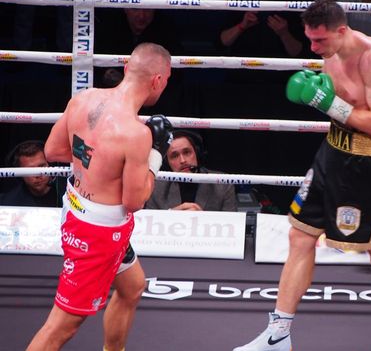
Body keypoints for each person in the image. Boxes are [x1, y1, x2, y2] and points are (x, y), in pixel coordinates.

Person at [233, 0, 371, 351]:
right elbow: (340, 108)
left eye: (320, 40)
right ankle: (278, 334)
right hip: (332, 152)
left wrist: (329, 103)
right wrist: (325, 100)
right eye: (310, 39)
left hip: (370, 163)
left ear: (341, 30)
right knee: (299, 236)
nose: (313, 48)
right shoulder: (329, 52)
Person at [25, 42, 173, 351]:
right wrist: (157, 155)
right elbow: (135, 201)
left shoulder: (84, 98)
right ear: (158, 81)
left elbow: (53, 150)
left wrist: (96, 161)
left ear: (126, 68)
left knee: (132, 287)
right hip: (98, 234)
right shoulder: (136, 134)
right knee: (61, 327)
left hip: (75, 206)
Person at [219, 0, 305, 59]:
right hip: (243, 67)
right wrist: (241, 26)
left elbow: (299, 53)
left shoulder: (291, 9)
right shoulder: (239, 6)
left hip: (279, 67)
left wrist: (284, 34)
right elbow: (221, 43)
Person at [145, 129, 237, 212]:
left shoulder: (223, 184)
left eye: (187, 152)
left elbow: (232, 223)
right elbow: (148, 223)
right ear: (167, 162)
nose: (182, 160)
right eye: (174, 156)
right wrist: (171, 215)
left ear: (197, 153)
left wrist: (203, 219)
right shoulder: (155, 187)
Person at [0, 140, 66, 207]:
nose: (37, 175)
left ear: (50, 165)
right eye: (30, 170)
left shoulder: (68, 194)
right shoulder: (6, 203)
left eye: (41, 166)